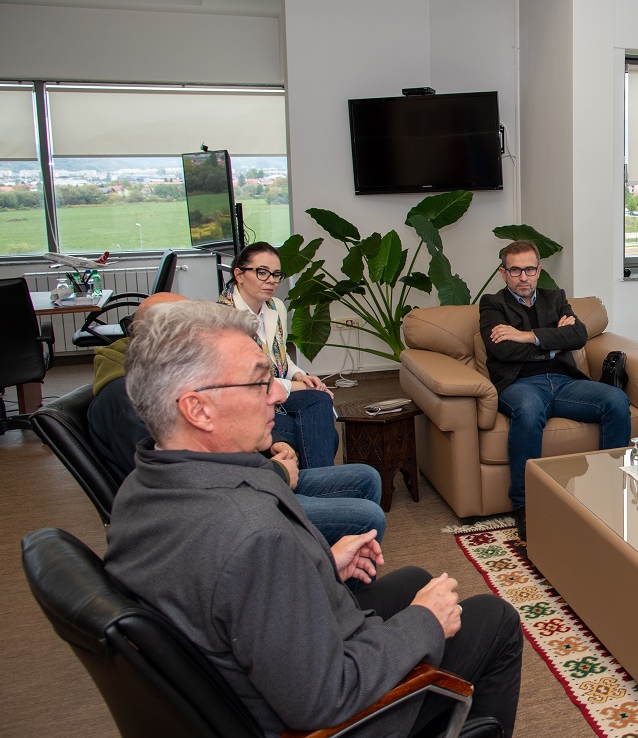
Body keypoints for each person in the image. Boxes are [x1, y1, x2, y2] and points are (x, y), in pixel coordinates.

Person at [103, 301, 522, 737]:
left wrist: (318, 565)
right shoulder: (252, 536)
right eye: (259, 382)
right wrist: (424, 622)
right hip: (340, 709)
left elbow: (228, 592)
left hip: (278, 657)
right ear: (198, 409)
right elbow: (325, 699)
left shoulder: (143, 485)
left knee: (414, 578)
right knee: (496, 619)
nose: (278, 394)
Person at [87, 293, 386, 546]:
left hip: (242, 476)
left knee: (364, 475)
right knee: (366, 517)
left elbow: (212, 448)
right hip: (232, 497)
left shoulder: (174, 375)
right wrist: (277, 474)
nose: (275, 394)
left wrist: (272, 443)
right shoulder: (128, 400)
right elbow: (183, 490)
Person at [480, 239, 632, 539]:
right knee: (528, 411)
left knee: (616, 400)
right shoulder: (492, 304)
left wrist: (526, 336)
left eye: (529, 269)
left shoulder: (555, 297)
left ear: (539, 270)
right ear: (503, 273)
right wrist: (553, 341)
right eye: (515, 270)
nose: (523, 277)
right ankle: (525, 505)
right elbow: (502, 351)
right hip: (520, 384)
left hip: (564, 383)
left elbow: (578, 336)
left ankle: (610, 488)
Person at [217, 241, 339, 469]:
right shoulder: (223, 317)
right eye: (262, 272)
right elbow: (245, 383)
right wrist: (299, 386)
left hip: (278, 394)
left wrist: (300, 376)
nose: (271, 280)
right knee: (321, 429)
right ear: (239, 275)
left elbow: (281, 357)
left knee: (319, 403)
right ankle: (321, 483)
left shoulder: (275, 307)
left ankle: (317, 483)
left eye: (276, 274)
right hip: (246, 403)